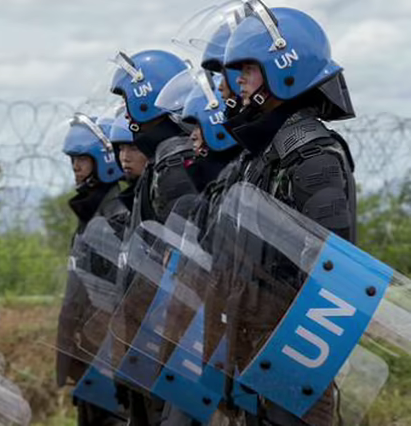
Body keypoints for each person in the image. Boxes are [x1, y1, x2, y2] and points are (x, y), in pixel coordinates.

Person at [210, 2, 357, 425]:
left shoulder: (312, 155)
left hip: (295, 364)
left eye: (247, 69)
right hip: (256, 353)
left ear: (283, 69)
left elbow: (335, 277)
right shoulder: (264, 156)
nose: (237, 81)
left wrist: (298, 367)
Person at [109, 49, 198, 426]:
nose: (126, 115)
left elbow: (179, 268)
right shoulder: (161, 163)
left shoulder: (173, 166)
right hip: (149, 338)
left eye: (129, 101)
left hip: (165, 340)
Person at [56, 113, 128, 426]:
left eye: (82, 159)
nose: (75, 167)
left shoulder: (116, 216)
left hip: (109, 358)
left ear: (104, 160)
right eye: (73, 160)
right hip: (90, 356)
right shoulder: (91, 214)